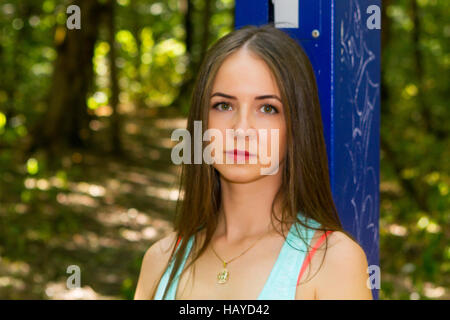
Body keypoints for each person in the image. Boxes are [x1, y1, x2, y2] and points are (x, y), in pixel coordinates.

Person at [134, 24, 373, 300]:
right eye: (224, 105)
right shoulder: (160, 260)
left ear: (297, 126)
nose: (241, 128)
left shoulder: (333, 262)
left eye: (267, 108)